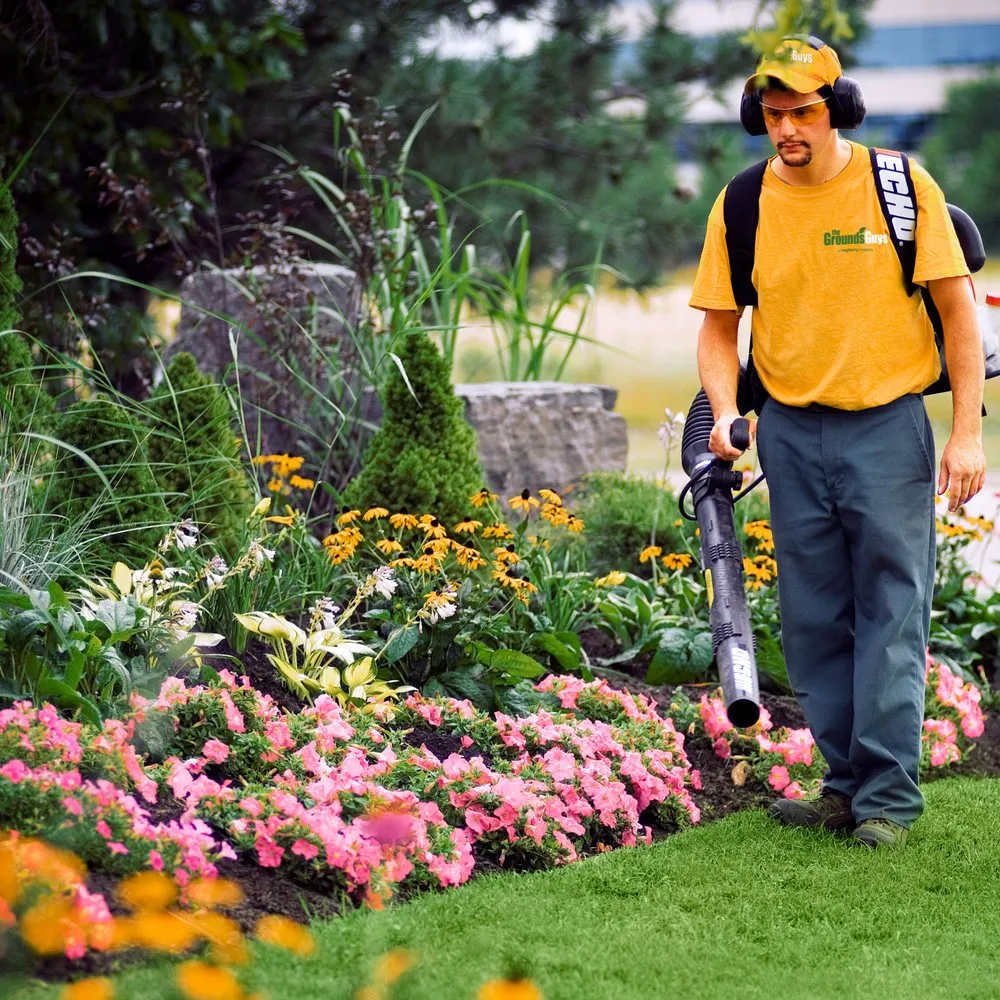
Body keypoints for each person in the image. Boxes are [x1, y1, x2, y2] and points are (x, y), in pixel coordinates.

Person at [688, 36, 987, 850]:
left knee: (891, 609)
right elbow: (719, 329)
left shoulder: (898, 185)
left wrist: (966, 434)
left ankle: (886, 798)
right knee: (815, 616)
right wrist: (724, 412)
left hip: (886, 428)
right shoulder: (743, 202)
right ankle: (841, 784)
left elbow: (960, 312)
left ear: (837, 109)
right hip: (789, 429)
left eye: (804, 112)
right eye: (774, 113)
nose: (788, 128)